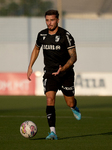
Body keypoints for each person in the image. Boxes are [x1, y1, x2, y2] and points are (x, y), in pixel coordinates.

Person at [27, 10, 81, 140]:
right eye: (47, 20)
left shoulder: (65, 36)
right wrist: (30, 66)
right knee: (50, 99)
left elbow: (74, 57)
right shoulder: (42, 35)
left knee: (69, 102)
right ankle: (52, 132)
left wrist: (64, 68)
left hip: (65, 74)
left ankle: (74, 106)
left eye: (52, 20)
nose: (49, 23)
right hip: (50, 73)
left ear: (57, 20)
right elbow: (36, 49)